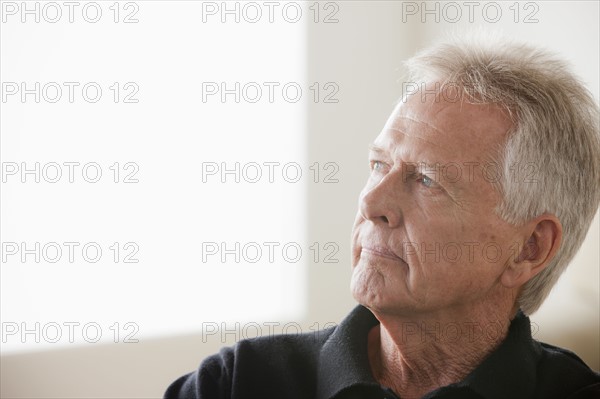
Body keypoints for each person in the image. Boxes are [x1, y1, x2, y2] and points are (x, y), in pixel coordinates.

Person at [164, 36, 600, 399]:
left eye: (426, 180)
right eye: (378, 165)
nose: (371, 204)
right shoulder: (237, 383)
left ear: (529, 248)